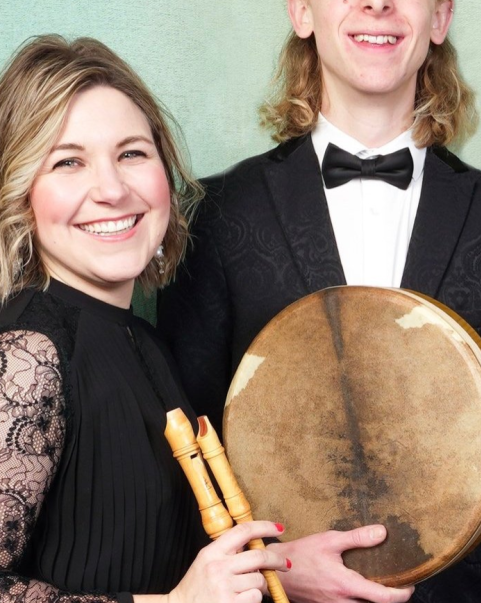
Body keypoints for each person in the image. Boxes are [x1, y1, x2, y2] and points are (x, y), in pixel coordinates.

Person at [157, 0, 481, 603]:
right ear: (302, 10)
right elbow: (188, 454)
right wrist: (275, 567)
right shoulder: (219, 213)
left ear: (440, 16)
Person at [0, 35, 289, 602]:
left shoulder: (146, 343)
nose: (112, 190)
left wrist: (286, 566)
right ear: (20, 192)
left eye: (132, 153)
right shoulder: (26, 356)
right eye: (68, 162)